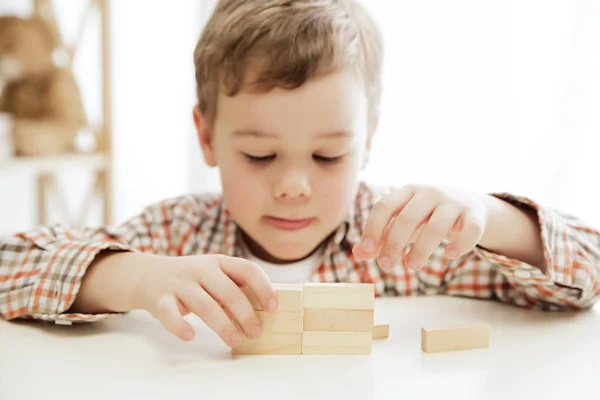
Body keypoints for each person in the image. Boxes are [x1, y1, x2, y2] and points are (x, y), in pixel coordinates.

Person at [1, 0, 599, 349]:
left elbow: (588, 273)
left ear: (366, 141)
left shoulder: (407, 241)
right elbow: (9, 266)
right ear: (207, 137)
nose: (294, 185)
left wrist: (491, 217)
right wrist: (134, 277)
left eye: (328, 156)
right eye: (260, 156)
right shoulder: (177, 234)